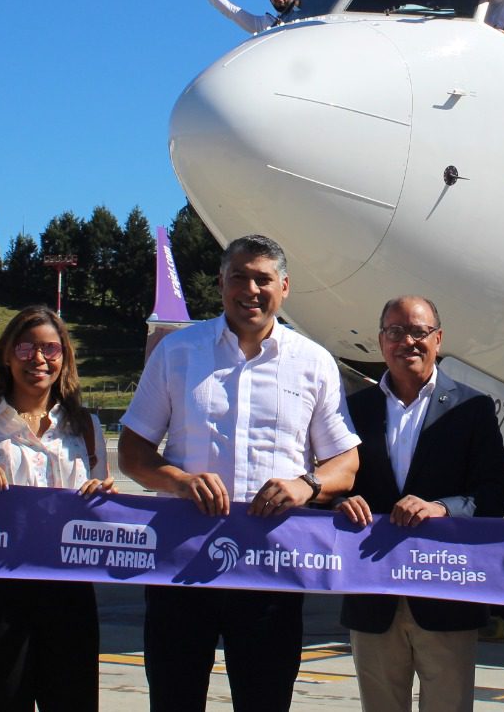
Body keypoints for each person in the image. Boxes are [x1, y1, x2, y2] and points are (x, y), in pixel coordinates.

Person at [118, 234, 361, 712]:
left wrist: (307, 485)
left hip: (270, 569)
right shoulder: (178, 351)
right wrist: (180, 482)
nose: (250, 290)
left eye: (263, 279)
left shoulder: (313, 362)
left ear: (284, 287)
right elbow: (132, 452)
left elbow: (346, 464)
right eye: (239, 278)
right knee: (173, 699)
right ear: (220, 284)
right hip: (180, 563)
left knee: (265, 700)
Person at [337, 296, 504, 712]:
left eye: (419, 332)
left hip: (445, 593)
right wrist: (342, 500)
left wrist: (442, 508)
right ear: (381, 340)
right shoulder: (353, 410)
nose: (407, 342)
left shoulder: (473, 407)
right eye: (395, 332)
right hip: (373, 592)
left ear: (438, 339)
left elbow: (493, 495)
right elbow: (330, 483)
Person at [0, 305, 111, 711]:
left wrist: (103, 500)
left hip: (67, 592)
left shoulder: (87, 428)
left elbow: (98, 516)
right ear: (6, 355)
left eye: (50, 349)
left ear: (64, 358)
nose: (38, 358)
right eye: (25, 348)